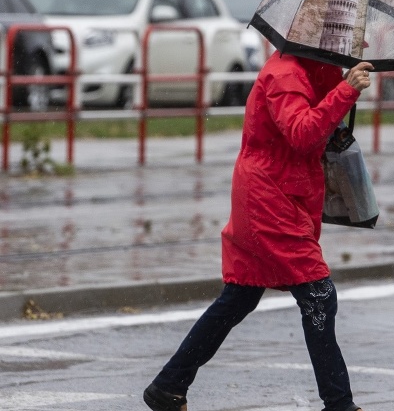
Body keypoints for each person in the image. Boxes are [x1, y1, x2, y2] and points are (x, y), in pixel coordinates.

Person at [143, 53, 373, 411]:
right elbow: (302, 133)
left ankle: (168, 387)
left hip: (281, 193)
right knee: (319, 295)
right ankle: (339, 403)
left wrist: (343, 82)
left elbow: (318, 120)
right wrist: (345, 91)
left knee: (239, 297)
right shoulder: (284, 76)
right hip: (269, 199)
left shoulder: (311, 69)